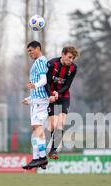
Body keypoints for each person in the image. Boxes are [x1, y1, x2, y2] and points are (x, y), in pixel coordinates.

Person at [21, 41, 56, 170]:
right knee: (36, 129)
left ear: (38, 49)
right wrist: (30, 99)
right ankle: (39, 158)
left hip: (41, 101)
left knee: (38, 128)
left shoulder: (40, 61)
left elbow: (43, 80)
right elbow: (39, 85)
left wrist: (35, 85)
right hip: (37, 100)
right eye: (28, 51)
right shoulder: (38, 62)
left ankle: (39, 158)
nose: (29, 53)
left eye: (31, 50)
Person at [46, 46, 79, 159]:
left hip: (64, 96)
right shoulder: (52, 64)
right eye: (69, 57)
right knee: (53, 124)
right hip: (51, 97)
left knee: (61, 123)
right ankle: (50, 143)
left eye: (73, 58)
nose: (71, 60)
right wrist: (51, 94)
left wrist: (58, 93)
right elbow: (47, 82)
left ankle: (53, 151)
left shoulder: (73, 68)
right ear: (63, 54)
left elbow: (67, 85)